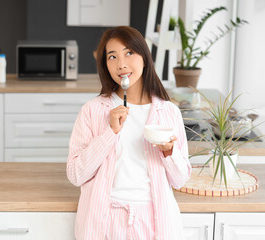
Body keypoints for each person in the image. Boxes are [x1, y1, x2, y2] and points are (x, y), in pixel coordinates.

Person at [66, 26, 191, 240]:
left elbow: (180, 179)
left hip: (155, 219)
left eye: (129, 53)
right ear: (105, 65)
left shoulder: (169, 112)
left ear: (144, 57)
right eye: (112, 56)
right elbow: (76, 174)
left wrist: (169, 152)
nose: (121, 64)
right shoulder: (93, 110)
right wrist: (109, 133)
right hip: (105, 220)